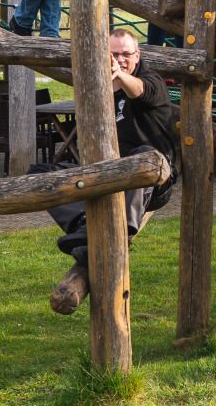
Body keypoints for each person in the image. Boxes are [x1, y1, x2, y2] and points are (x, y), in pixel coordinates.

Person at [42, 29, 178, 265]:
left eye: (126, 54)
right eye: (113, 54)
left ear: (138, 55)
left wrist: (118, 75)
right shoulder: (95, 88)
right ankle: (83, 226)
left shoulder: (152, 81)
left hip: (153, 182)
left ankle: (120, 233)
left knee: (143, 157)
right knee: (42, 173)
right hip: (109, 178)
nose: (120, 59)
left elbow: (139, 90)